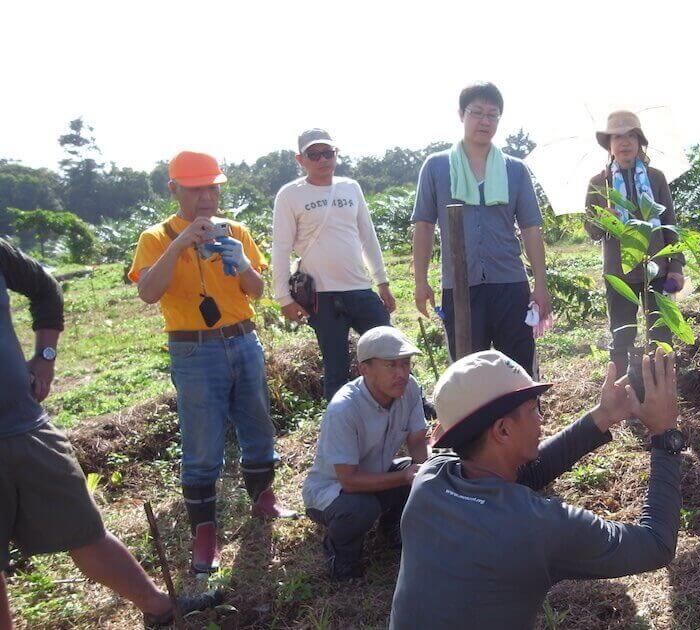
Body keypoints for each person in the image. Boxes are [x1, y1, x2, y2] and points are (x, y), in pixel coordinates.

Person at [0, 238, 220, 628]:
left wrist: (45, 356)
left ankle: (159, 607)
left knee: (85, 530)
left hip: (24, 424)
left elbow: (45, 288)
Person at [388, 349, 683, 629]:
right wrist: (664, 436)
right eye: (534, 409)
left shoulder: (430, 478)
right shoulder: (536, 525)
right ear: (502, 430)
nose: (542, 419)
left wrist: (603, 415)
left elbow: (528, 473)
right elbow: (656, 544)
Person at [130, 151, 296, 574]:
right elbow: (148, 292)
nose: (207, 197)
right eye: (195, 188)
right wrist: (180, 244)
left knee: (257, 422)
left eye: (212, 187)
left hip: (242, 339)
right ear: (174, 190)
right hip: (193, 348)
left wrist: (240, 260)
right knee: (201, 441)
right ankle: (204, 534)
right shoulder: (156, 237)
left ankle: (264, 499)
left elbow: (256, 290)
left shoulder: (236, 230)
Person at [411, 82, 549, 376]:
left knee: (519, 369)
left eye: (493, 114)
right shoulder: (437, 167)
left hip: (510, 284)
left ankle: (524, 420)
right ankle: (475, 424)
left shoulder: (515, 169)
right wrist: (420, 281)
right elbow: (423, 224)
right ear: (462, 114)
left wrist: (541, 284)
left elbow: (531, 228)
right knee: (466, 372)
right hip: (460, 286)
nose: (485, 121)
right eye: (477, 112)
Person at [272, 128, 394, 401]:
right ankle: (340, 429)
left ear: (336, 154)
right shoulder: (290, 195)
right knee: (336, 368)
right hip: (323, 297)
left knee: (391, 350)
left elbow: (368, 236)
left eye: (327, 153)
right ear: (300, 159)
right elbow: (280, 247)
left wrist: (382, 282)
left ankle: (413, 409)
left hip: (360, 289)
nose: (322, 160)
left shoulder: (351, 187)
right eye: (313, 155)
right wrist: (283, 298)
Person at [302, 326, 429, 581]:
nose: (402, 374)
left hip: (376, 476)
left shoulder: (410, 389)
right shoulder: (344, 408)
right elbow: (348, 480)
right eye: (391, 366)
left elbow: (417, 441)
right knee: (360, 508)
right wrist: (406, 477)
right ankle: (340, 556)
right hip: (333, 491)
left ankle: (393, 529)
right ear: (364, 369)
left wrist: (423, 475)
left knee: (422, 472)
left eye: (405, 364)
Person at [583, 110, 685, 376]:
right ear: (609, 144)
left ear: (640, 141)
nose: (624, 142)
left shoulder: (655, 178)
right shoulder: (599, 184)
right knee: (622, 335)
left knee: (661, 333)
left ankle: (661, 391)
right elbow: (591, 230)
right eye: (617, 137)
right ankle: (619, 394)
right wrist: (604, 220)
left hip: (657, 270)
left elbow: (669, 224)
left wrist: (676, 266)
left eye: (630, 135)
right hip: (619, 273)